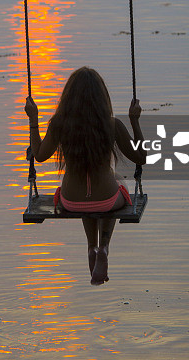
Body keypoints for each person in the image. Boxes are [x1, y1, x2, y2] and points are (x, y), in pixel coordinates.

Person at [24, 66, 147, 286]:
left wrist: (34, 119)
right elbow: (140, 157)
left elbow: (40, 155)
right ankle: (104, 247)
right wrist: (135, 121)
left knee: (87, 201)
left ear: (68, 97)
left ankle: (91, 247)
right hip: (107, 200)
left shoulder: (59, 124)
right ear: (102, 98)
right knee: (117, 181)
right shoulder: (112, 125)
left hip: (71, 201)